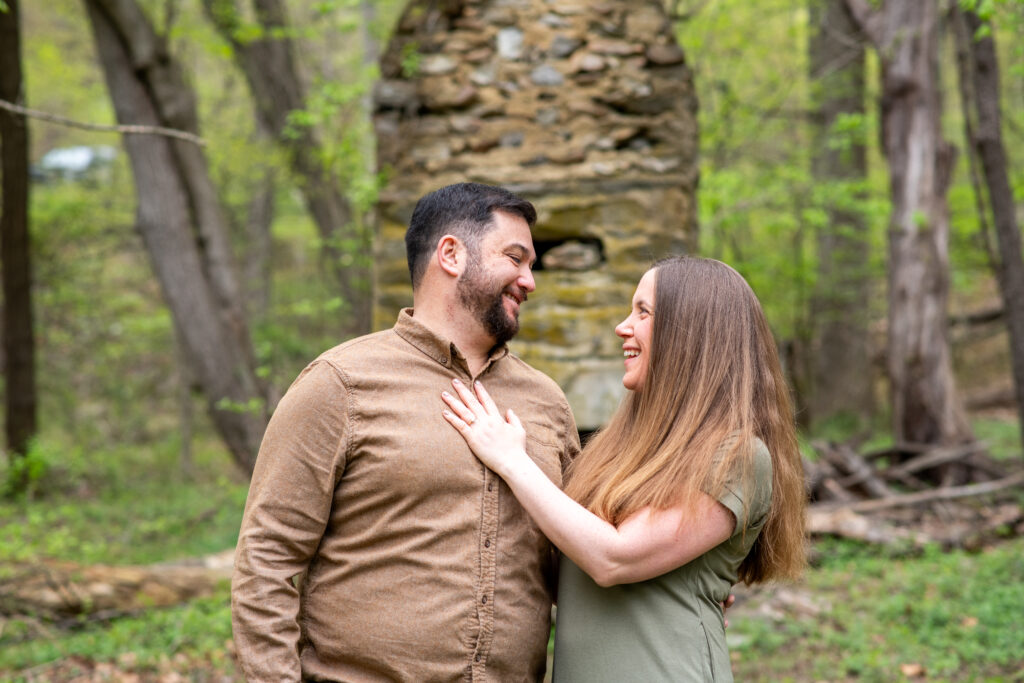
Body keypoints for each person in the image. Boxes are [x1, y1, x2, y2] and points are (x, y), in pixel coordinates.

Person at [231, 182, 581, 682]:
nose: (530, 280)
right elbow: (266, 560)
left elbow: (579, 556)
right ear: (451, 254)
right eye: (515, 258)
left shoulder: (546, 400)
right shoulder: (341, 384)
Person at [441, 255, 807, 682]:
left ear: (693, 335)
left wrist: (512, 462)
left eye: (643, 312)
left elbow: (612, 558)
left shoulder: (739, 455)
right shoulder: (623, 449)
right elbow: (570, 565)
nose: (622, 326)